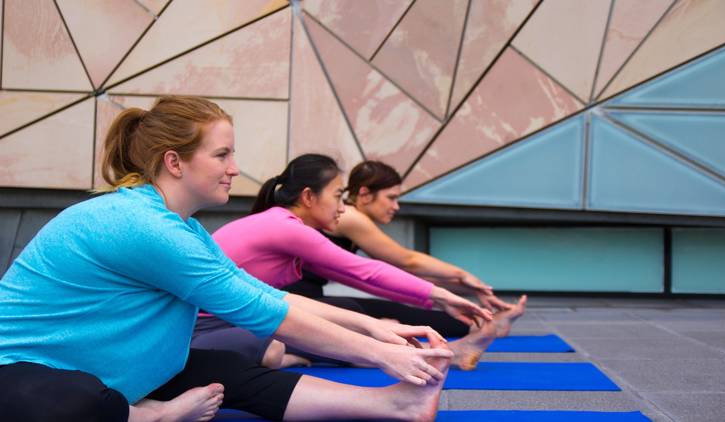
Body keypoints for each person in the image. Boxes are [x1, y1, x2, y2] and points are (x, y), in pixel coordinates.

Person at [0, 96, 453, 422]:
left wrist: (374, 328)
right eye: (222, 154)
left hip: (98, 365)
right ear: (175, 162)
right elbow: (262, 312)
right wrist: (380, 354)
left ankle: (396, 405)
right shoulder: (143, 226)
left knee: (225, 371)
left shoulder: (180, 227)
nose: (235, 167)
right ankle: (152, 417)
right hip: (20, 370)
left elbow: (257, 292)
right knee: (80, 404)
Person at [208, 154, 526, 371]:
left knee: (351, 320)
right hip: (203, 326)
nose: (341, 208)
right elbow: (368, 272)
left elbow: (361, 277)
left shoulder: (283, 224)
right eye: (336, 196)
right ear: (308, 197)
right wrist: (443, 295)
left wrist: (441, 296)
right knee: (282, 346)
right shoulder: (286, 228)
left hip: (231, 317)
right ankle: (285, 357)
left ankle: (444, 352)